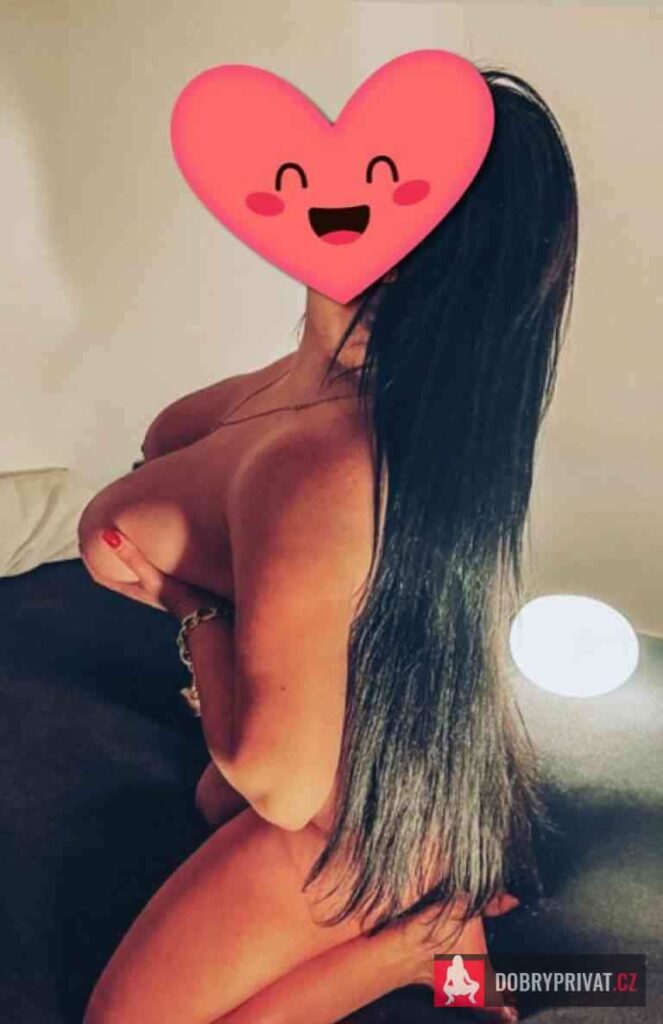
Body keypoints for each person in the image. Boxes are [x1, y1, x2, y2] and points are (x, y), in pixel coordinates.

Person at [77, 66, 578, 1024]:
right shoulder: (296, 395)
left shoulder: (323, 464)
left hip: (351, 829)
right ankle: (444, 942)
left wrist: (192, 610)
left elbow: (282, 782)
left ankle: (415, 950)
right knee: (214, 807)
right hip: (383, 783)